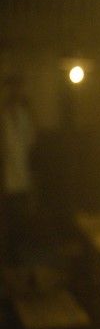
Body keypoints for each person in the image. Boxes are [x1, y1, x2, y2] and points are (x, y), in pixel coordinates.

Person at [1, 74, 37, 268]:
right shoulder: (3, 116)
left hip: (22, 177)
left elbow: (30, 143)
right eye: (14, 89)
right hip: (6, 178)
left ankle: (19, 258)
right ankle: (9, 258)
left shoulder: (24, 116)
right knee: (8, 220)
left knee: (22, 220)